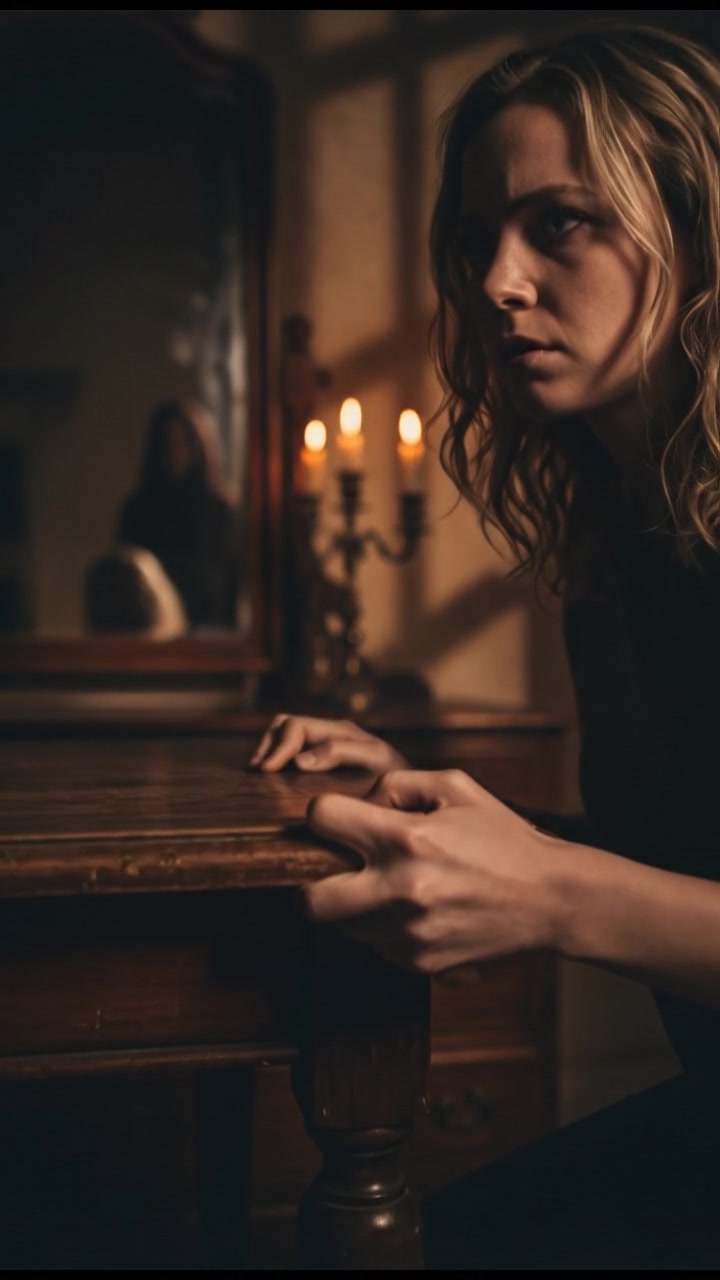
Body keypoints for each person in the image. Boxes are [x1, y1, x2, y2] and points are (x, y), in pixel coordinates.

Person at [251, 22, 720, 1270]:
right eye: (477, 241)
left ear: (694, 226)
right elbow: (678, 867)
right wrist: (469, 819)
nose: (498, 281)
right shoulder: (623, 550)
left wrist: (551, 890)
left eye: (559, 222)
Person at [116, 397, 243, 631]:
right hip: (152, 641)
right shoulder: (138, 511)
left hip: (210, 642)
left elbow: (231, 588)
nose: (177, 452)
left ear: (198, 447)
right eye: (168, 443)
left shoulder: (218, 512)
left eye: (184, 442)